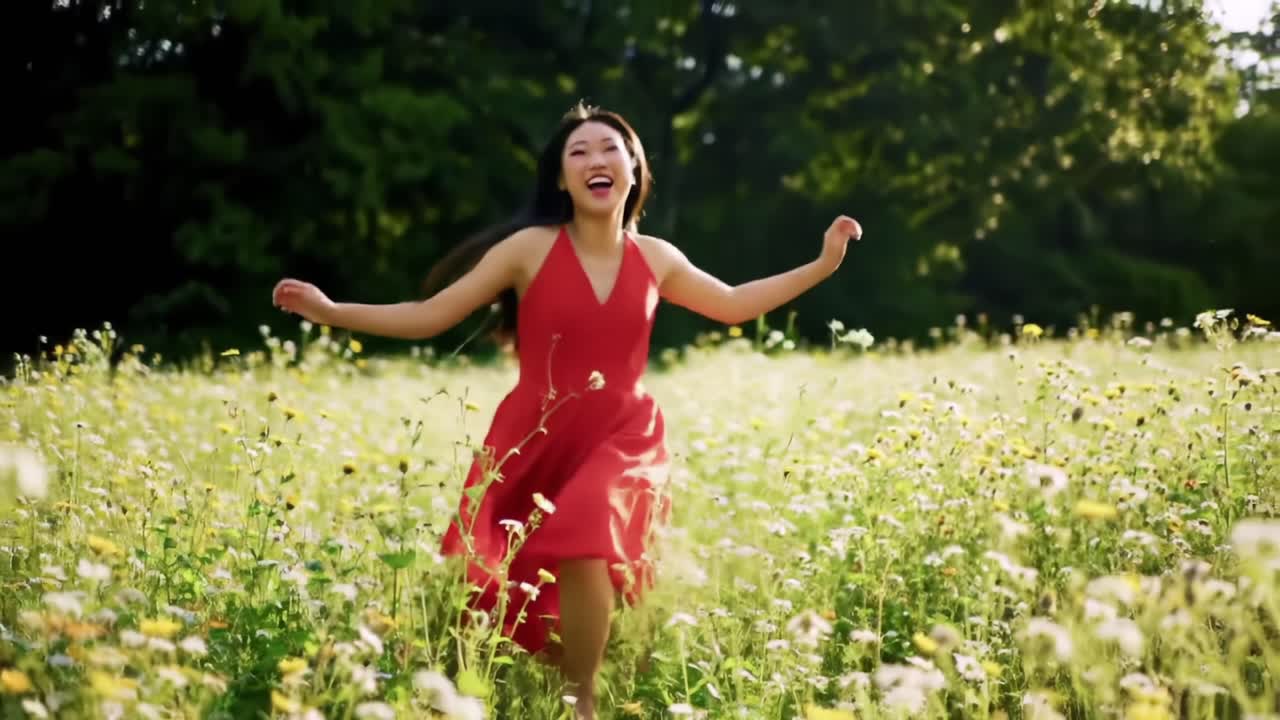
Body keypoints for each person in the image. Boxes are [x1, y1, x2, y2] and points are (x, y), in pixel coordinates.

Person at [272, 102, 862, 718]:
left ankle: (582, 704)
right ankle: (508, 675)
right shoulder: (529, 249)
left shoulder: (656, 258)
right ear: (560, 179)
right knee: (493, 580)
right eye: (577, 153)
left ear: (634, 169)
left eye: (609, 148)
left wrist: (823, 263)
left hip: (624, 434)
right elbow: (431, 315)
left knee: (584, 533)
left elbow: (736, 303)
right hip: (533, 434)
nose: (595, 160)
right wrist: (334, 311)